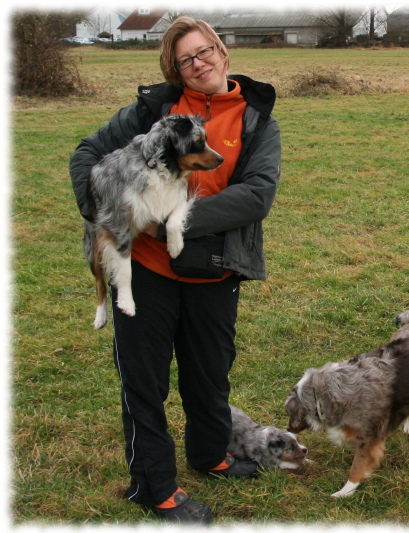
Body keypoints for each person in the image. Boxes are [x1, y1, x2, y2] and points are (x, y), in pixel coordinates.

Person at [69, 17, 281, 524]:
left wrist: (172, 223)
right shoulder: (154, 111)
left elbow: (257, 194)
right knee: (144, 382)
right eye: (187, 59)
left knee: (210, 375)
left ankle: (211, 455)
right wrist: (111, 211)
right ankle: (153, 486)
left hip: (214, 269)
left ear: (223, 52)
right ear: (176, 69)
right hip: (145, 271)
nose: (199, 63)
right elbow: (86, 155)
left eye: (205, 51)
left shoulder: (256, 119)